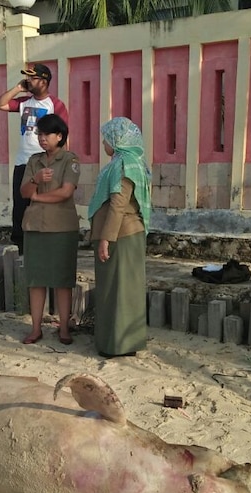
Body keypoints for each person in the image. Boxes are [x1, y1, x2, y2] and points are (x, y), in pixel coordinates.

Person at [89, 117, 151, 358]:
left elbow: (118, 203)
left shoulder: (123, 165)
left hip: (120, 235)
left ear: (117, 140)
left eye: (106, 138)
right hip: (128, 233)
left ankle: (116, 346)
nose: (104, 142)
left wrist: (106, 239)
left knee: (116, 291)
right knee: (126, 290)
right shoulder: (133, 162)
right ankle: (127, 343)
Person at [0, 63, 69, 255]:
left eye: (33, 78)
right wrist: (18, 88)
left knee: (43, 203)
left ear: (44, 82)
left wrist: (59, 163)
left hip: (45, 163)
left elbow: (63, 136)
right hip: (23, 162)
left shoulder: (55, 105)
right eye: (27, 77)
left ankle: (43, 245)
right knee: (20, 205)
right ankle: (20, 247)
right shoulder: (24, 103)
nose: (29, 81)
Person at [19, 114, 79, 345]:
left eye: (47, 134)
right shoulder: (34, 161)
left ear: (60, 136)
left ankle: (64, 328)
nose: (42, 139)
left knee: (62, 280)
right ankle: (35, 329)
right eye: (40, 134)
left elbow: (66, 192)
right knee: (36, 280)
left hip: (61, 227)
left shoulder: (69, 160)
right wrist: (34, 180)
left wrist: (38, 197)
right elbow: (24, 193)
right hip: (35, 226)